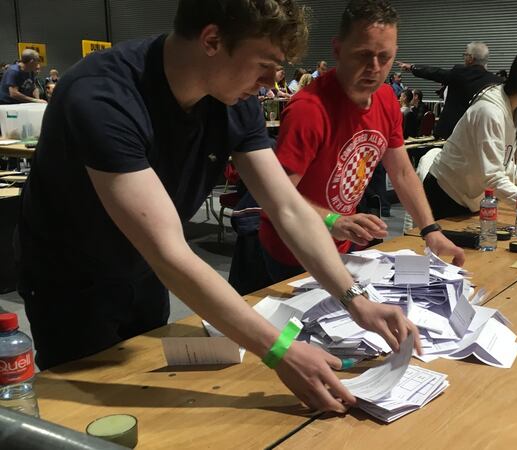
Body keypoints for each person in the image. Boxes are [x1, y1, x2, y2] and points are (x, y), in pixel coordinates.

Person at [16, 0, 420, 414]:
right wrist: (279, 350)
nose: (268, 83)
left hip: (145, 271)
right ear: (212, 40)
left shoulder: (231, 98)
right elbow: (170, 252)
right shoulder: (103, 95)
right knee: (94, 411)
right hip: (71, 281)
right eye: (264, 64)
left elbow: (287, 208)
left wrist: (355, 300)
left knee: (148, 387)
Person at [257, 0, 464, 286]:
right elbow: (277, 199)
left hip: (341, 245)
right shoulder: (309, 109)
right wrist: (333, 221)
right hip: (293, 251)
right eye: (363, 55)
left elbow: (402, 172)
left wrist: (430, 229)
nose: (374, 68)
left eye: (385, 57)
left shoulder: (386, 99)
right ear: (338, 50)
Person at [423, 50, 517, 225]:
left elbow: (499, 159)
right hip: (446, 194)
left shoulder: (511, 108)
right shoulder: (490, 111)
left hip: (466, 194)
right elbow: (493, 176)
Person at [397, 41, 501, 140]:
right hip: (480, 135)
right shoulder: (497, 81)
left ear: (470, 58)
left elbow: (435, 73)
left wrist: (412, 67)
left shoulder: (459, 73)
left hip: (452, 133)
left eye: (465, 55)